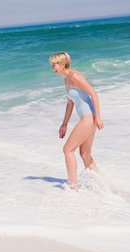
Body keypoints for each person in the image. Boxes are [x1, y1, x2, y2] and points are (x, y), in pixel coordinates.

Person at [49, 51, 104, 191]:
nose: (52, 68)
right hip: (87, 119)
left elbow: (93, 94)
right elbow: (70, 103)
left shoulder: (75, 76)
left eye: (54, 65)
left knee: (67, 150)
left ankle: (72, 186)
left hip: (88, 118)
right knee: (85, 154)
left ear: (62, 64)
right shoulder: (66, 79)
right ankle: (100, 185)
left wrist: (98, 117)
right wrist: (64, 124)